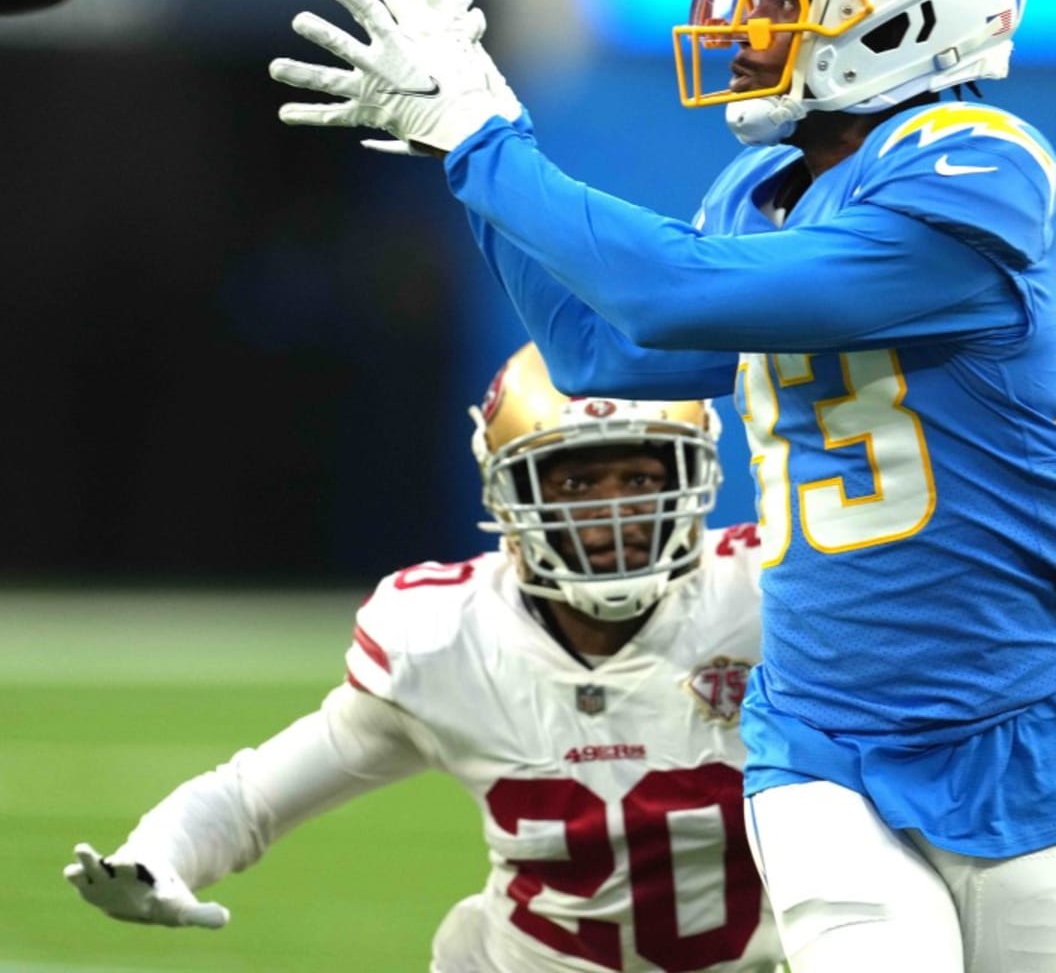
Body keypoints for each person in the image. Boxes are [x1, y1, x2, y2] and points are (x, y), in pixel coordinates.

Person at [267, 0, 1056, 973]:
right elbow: (604, 351)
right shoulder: (769, 185)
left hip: (1017, 720)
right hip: (822, 737)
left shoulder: (977, 164)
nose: (741, 21)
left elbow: (673, 292)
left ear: (906, 18)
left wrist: (493, 150)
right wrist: (472, 144)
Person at [65, 342, 784, 972]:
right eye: (574, 483)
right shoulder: (445, 637)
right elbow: (254, 797)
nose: (613, 511)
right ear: (510, 491)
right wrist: (160, 851)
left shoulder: (770, 600)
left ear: (692, 478)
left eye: (638, 480)